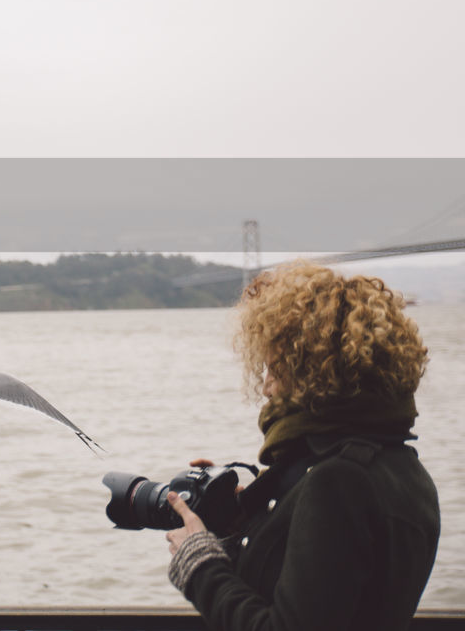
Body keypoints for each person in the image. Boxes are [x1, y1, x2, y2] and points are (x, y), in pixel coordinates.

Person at [165, 262, 440, 630]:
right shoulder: (402, 467)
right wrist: (244, 524)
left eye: (276, 369)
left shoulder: (339, 482)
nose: (266, 387)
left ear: (315, 374)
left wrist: (199, 566)